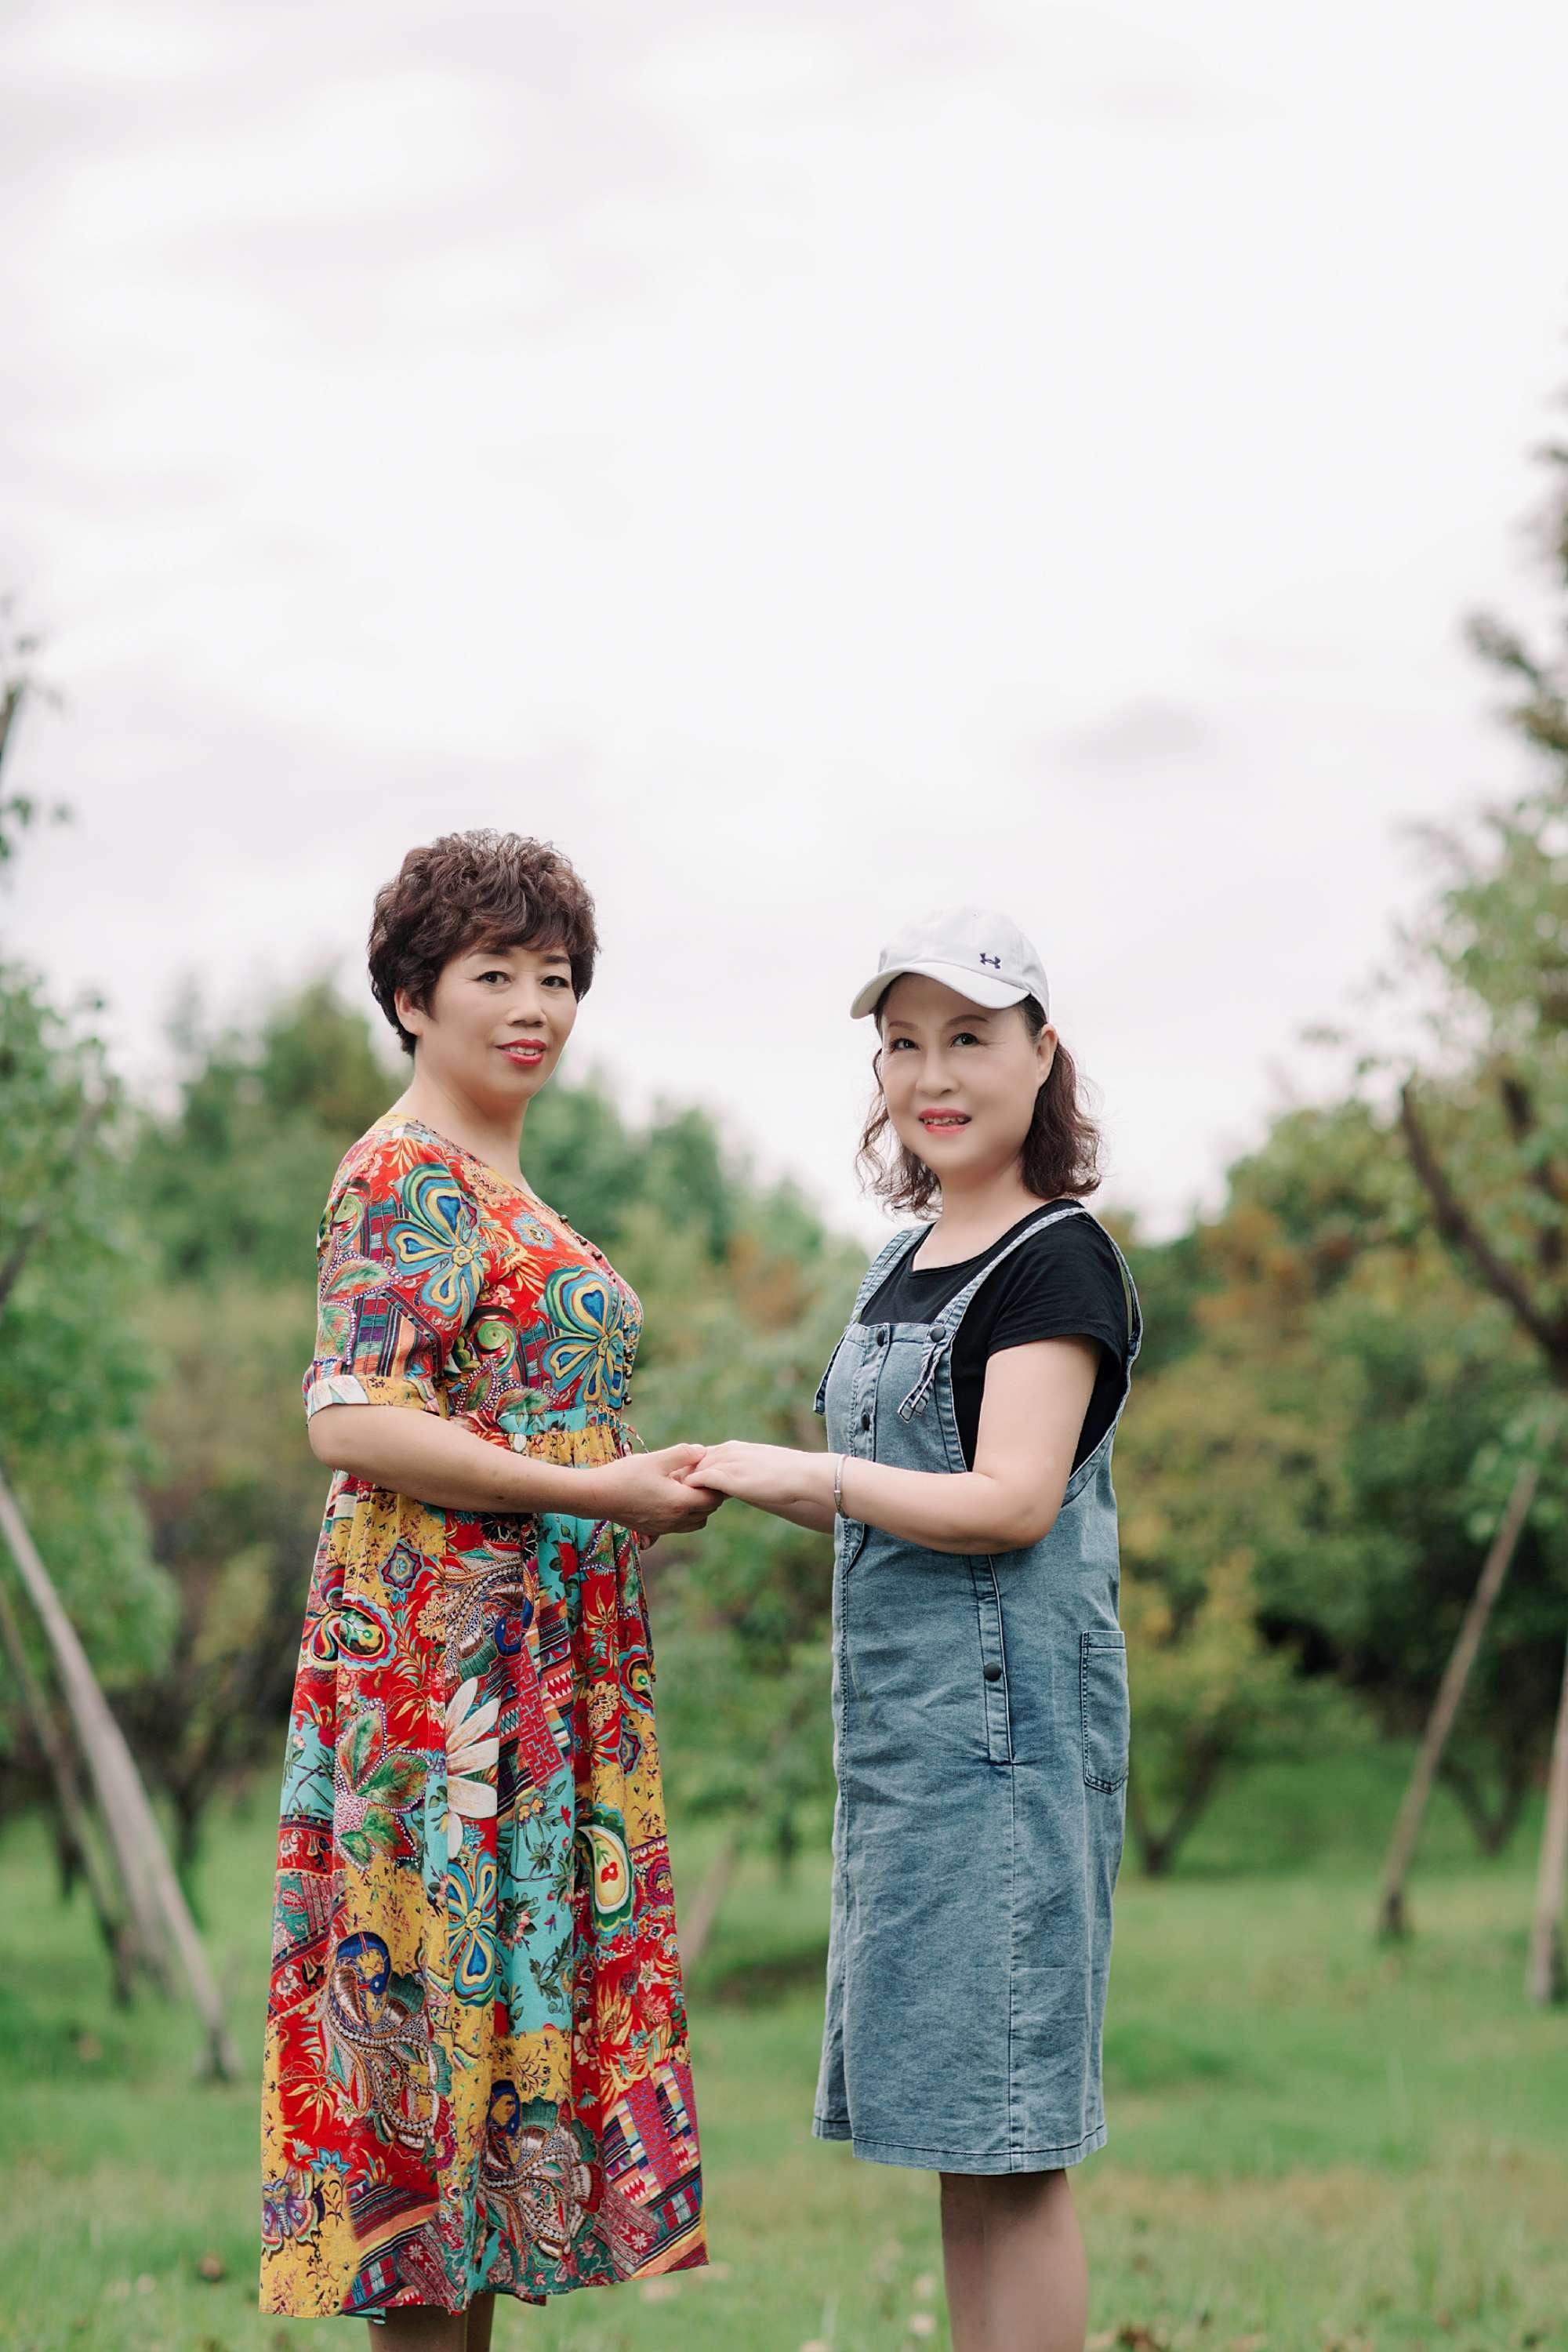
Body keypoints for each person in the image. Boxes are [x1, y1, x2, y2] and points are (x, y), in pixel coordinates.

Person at [260, 831, 717, 2345]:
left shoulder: (506, 1183)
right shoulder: (408, 1171)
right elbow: (351, 1415)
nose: (534, 1005)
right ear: (410, 996)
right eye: (493, 973)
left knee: (485, 2120)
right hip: (438, 1687)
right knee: (430, 2089)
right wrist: (595, 1492)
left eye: (558, 977)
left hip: (533, 1679)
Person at [688, 907, 1142, 2352]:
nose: (932, 1075)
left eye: (969, 1038)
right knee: (966, 2136)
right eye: (902, 1044)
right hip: (907, 1752)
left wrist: (797, 1470)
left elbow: (1006, 1501)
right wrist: (720, 1481)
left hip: (1006, 1754)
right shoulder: (906, 1258)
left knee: (1014, 2146)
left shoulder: (1057, 1263)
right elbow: (901, 1498)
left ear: (1041, 1052)